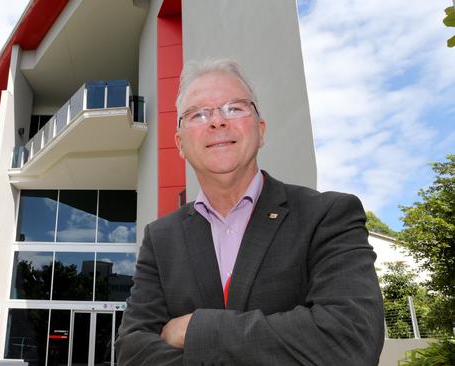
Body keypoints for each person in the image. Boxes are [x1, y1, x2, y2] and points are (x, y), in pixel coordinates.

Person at [115, 58, 385, 365]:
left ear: (260, 130)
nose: (217, 121)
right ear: (180, 144)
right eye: (198, 114)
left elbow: (351, 339)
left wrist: (194, 329)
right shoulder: (160, 238)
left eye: (234, 108)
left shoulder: (328, 215)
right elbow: (133, 351)